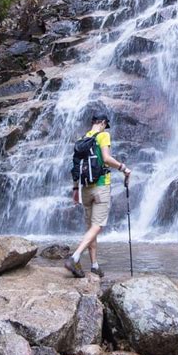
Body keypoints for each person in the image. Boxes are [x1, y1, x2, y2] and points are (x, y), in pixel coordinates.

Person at [65, 113, 131, 278]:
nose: (105, 127)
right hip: (101, 186)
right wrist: (124, 168)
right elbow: (107, 159)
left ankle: (94, 265)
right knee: (98, 226)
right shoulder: (103, 135)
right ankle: (75, 257)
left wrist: (75, 190)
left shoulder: (82, 139)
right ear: (102, 123)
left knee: (91, 229)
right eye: (105, 125)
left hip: (85, 188)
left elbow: (75, 166)